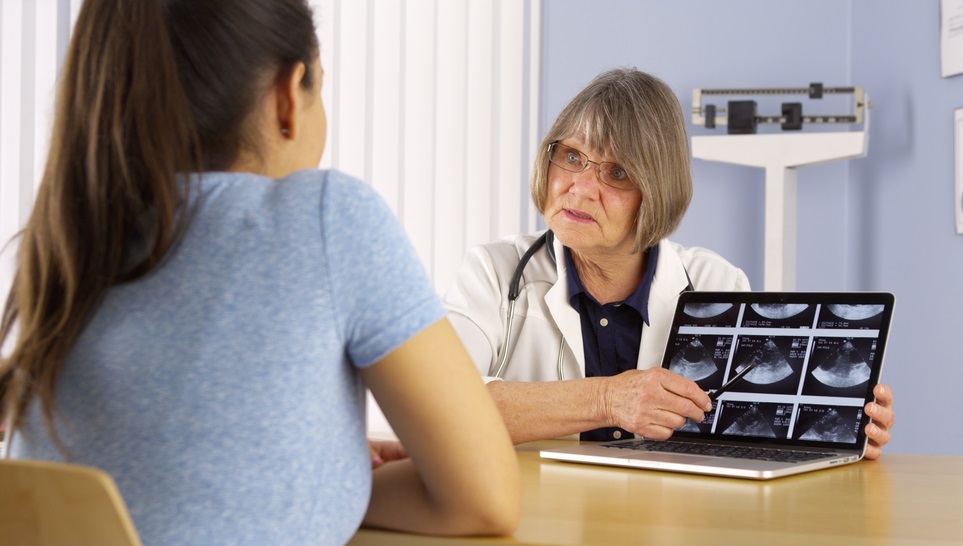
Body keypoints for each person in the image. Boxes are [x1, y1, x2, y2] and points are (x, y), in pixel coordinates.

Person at [0, 1, 519, 543]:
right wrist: (340, 484)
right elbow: (485, 501)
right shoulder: (329, 217)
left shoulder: (68, 244)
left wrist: (306, 472)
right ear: (287, 97)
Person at [444, 68, 895, 458]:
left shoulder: (716, 282)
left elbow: (753, 431)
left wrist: (842, 430)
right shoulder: (494, 273)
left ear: (658, 191)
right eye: (573, 157)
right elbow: (439, 406)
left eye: (617, 172)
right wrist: (607, 399)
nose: (579, 188)